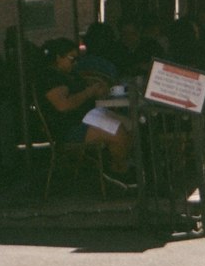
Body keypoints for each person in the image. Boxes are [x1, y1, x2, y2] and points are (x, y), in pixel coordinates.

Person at [36, 37, 135, 187]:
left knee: (130, 124)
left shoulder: (70, 74)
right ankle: (116, 172)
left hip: (88, 117)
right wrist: (88, 93)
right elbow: (63, 105)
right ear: (58, 57)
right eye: (72, 58)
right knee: (118, 132)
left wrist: (97, 90)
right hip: (70, 127)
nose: (75, 62)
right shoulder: (51, 77)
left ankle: (119, 166)